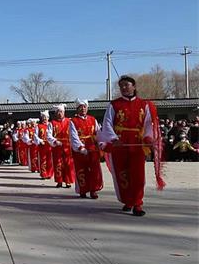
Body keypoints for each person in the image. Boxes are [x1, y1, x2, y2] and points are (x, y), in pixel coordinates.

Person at [100, 76, 163, 216]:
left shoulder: (144, 104)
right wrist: (113, 139)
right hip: (120, 144)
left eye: (126, 85)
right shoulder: (114, 105)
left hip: (137, 144)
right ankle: (128, 200)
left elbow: (148, 124)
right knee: (122, 174)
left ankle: (138, 203)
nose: (124, 88)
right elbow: (107, 123)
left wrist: (148, 137)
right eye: (121, 86)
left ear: (134, 86)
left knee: (138, 175)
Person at [69, 99, 103, 198]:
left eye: (84, 107)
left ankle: (93, 190)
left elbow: (98, 133)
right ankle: (83, 189)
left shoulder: (93, 119)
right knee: (81, 170)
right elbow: (73, 136)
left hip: (93, 148)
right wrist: (80, 147)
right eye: (81, 107)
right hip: (80, 150)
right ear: (77, 109)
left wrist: (101, 143)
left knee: (94, 170)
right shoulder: (73, 121)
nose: (83, 109)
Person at [47, 104, 75, 188]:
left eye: (61, 112)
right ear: (56, 113)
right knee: (58, 164)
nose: (60, 113)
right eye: (58, 112)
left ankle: (68, 181)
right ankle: (59, 181)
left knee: (68, 163)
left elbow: (73, 133)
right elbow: (48, 135)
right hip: (57, 146)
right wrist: (55, 141)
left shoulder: (69, 121)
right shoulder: (52, 123)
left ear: (64, 112)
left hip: (67, 146)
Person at [34, 111, 54, 180]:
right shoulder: (38, 126)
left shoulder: (51, 125)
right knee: (43, 160)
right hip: (42, 145)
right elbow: (35, 136)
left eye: (46, 117)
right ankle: (43, 174)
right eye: (43, 117)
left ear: (48, 118)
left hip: (50, 145)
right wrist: (40, 141)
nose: (45, 118)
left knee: (50, 160)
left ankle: (50, 174)